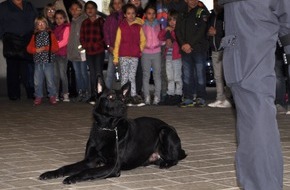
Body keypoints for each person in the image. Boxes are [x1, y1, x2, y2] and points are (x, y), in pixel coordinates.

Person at [219, 0, 290, 189]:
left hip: (244, 59)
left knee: (255, 127)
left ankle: (261, 184)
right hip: (249, 59)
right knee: (255, 127)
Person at [0, 0, 38, 101]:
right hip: (12, 40)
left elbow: (36, 19)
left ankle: (31, 92)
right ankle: (14, 94)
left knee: (28, 68)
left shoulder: (29, 4)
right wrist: (3, 36)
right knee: (13, 68)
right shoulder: (4, 6)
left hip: (28, 39)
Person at [175, 0, 209, 108]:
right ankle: (188, 98)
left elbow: (202, 30)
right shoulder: (181, 12)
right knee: (186, 75)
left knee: (200, 75)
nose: (193, 1)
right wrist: (183, 44)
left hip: (198, 49)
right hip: (185, 49)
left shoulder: (201, 11)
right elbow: (177, 30)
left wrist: (190, 44)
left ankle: (201, 97)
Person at [113, 3, 146, 106]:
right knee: (124, 77)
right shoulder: (121, 27)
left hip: (134, 56)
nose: (131, 15)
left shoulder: (139, 27)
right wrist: (115, 57)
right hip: (123, 56)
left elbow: (143, 40)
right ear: (125, 15)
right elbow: (117, 43)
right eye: (128, 13)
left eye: (133, 13)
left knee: (132, 77)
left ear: (136, 14)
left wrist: (138, 50)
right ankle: (124, 97)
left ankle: (133, 96)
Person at [26, 16, 59, 105]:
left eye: (42, 23)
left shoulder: (50, 34)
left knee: (50, 81)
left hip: (48, 62)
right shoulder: (34, 35)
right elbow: (28, 48)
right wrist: (35, 50)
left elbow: (56, 48)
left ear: (46, 24)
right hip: (37, 63)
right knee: (37, 81)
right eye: (38, 24)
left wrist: (46, 48)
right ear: (36, 26)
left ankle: (52, 96)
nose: (40, 25)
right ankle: (38, 96)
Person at [80, 1, 106, 105]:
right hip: (89, 52)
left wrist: (97, 45)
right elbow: (81, 37)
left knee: (99, 73)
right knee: (92, 73)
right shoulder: (84, 22)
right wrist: (85, 45)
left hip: (99, 51)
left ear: (96, 10)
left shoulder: (101, 21)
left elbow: (105, 36)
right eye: (88, 8)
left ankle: (101, 95)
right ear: (85, 11)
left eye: (92, 8)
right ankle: (93, 95)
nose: (90, 10)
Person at [207, 0, 231, 108]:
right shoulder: (211, 15)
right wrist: (208, 32)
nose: (215, 3)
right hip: (215, 49)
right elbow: (206, 30)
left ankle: (229, 99)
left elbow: (229, 31)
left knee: (227, 76)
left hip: (225, 49)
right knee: (217, 76)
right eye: (214, 1)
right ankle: (219, 98)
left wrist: (218, 33)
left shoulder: (226, 14)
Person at [158, 10, 182, 105]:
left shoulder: (178, 30)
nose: (172, 22)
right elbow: (160, 37)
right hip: (168, 57)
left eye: (174, 20)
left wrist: (172, 32)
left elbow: (178, 39)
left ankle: (178, 93)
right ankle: (170, 93)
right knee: (170, 77)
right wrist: (166, 30)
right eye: (170, 20)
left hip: (177, 57)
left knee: (177, 77)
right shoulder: (168, 30)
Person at [67, 1, 89, 102]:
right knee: (77, 73)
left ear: (81, 10)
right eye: (72, 9)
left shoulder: (84, 20)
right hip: (73, 53)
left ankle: (87, 92)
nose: (75, 11)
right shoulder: (71, 21)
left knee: (84, 73)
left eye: (77, 9)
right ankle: (80, 92)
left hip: (82, 52)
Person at [141, 5, 162, 105]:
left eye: (153, 13)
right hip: (145, 53)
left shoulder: (159, 25)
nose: (151, 15)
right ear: (145, 15)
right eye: (149, 13)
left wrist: (161, 43)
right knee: (146, 75)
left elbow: (162, 37)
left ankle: (157, 96)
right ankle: (147, 97)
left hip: (157, 52)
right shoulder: (142, 25)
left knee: (157, 75)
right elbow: (140, 39)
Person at [103, 0, 125, 90]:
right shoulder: (109, 18)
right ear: (112, 5)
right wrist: (108, 46)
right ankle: (106, 93)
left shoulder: (126, 16)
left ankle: (123, 94)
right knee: (110, 72)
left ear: (123, 4)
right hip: (112, 49)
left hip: (124, 49)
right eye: (115, 3)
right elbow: (106, 33)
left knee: (123, 73)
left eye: (119, 3)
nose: (117, 5)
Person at [53, 9, 71, 102]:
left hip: (63, 55)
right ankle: (56, 94)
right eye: (56, 18)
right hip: (55, 54)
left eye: (61, 18)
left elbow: (65, 41)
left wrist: (53, 46)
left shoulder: (67, 27)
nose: (58, 20)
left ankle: (65, 93)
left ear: (64, 18)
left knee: (62, 75)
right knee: (55, 75)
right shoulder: (55, 29)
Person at [128, 0, 144, 98]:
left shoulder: (144, 13)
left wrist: (141, 48)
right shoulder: (124, 16)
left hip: (140, 49)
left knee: (139, 71)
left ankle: (137, 91)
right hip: (127, 50)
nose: (135, 1)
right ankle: (128, 92)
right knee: (128, 72)